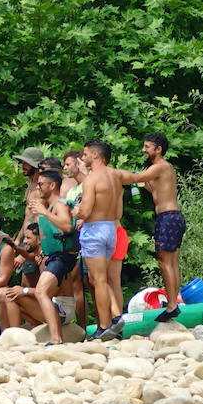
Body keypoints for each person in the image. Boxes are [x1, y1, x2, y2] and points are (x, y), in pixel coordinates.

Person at [116, 132, 185, 322]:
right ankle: (173, 303)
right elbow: (153, 189)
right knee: (171, 262)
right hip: (173, 217)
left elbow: (135, 177)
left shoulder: (160, 166)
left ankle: (172, 305)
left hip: (167, 217)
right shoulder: (163, 169)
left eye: (147, 147)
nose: (143, 150)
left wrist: (114, 173)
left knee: (165, 262)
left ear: (158, 149)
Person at [3, 170, 77, 344]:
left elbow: (66, 227)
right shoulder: (48, 207)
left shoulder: (59, 205)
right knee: (14, 295)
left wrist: (44, 212)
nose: (38, 187)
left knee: (41, 291)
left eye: (41, 184)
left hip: (62, 257)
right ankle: (18, 339)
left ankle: (56, 338)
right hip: (53, 257)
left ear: (52, 186)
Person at [77, 139, 125, 339]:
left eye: (85, 154)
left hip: (94, 230)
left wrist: (72, 211)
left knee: (98, 280)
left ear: (95, 155)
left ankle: (105, 325)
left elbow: (85, 211)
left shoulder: (91, 179)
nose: (83, 157)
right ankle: (114, 318)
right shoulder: (115, 176)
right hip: (110, 229)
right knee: (104, 279)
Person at [11, 149, 45, 289]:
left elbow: (39, 221)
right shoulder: (30, 186)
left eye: (26, 163)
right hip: (27, 241)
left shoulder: (40, 188)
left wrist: (26, 252)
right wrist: (18, 240)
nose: (22, 165)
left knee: (31, 288)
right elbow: (28, 218)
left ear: (35, 165)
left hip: (35, 245)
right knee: (26, 287)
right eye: (22, 162)